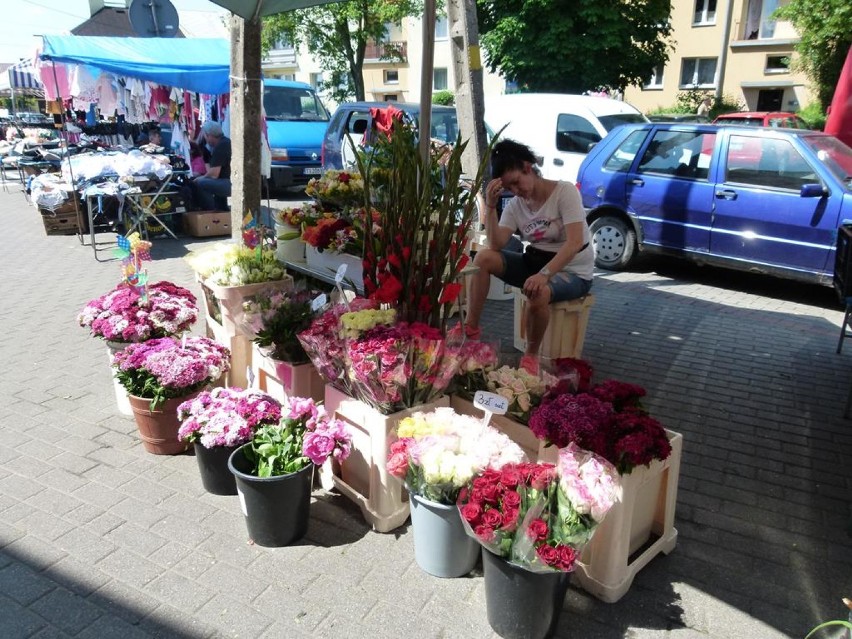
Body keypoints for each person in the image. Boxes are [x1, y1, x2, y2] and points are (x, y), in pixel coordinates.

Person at [452, 139, 594, 374]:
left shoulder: (564, 192)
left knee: (539, 292)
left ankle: (531, 354)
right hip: (535, 262)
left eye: (517, 183)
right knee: (484, 258)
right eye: (510, 188)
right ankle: (471, 328)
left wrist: (544, 275)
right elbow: (497, 243)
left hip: (572, 272)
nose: (516, 192)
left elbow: (575, 242)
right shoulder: (516, 205)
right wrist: (490, 206)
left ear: (528, 168)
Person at [190, 120, 231, 211]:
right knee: (209, 182)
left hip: (230, 184)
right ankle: (222, 209)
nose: (204, 138)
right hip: (229, 181)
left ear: (210, 135)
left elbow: (214, 174)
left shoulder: (221, 146)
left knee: (201, 183)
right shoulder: (225, 142)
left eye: (205, 135)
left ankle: (209, 211)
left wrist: (200, 178)